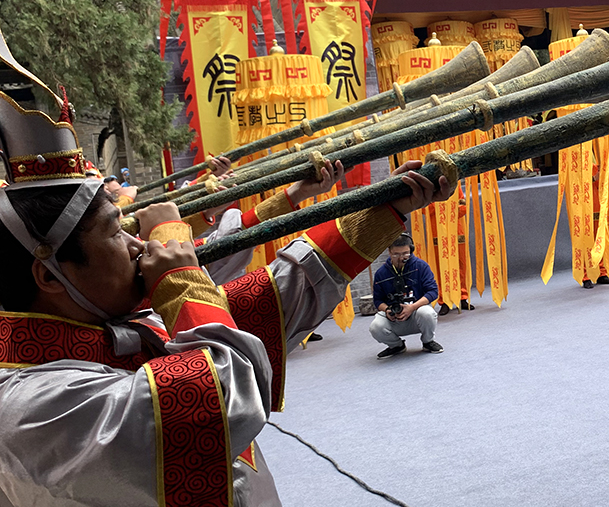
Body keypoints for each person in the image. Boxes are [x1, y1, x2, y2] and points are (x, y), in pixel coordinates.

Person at [0, 50, 455, 504]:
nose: (138, 245)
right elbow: (221, 399)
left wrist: (385, 208)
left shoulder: (115, 328)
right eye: (117, 232)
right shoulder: (30, 408)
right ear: (49, 275)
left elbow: (269, 300)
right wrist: (181, 277)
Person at [370, 233, 442, 358]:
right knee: (375, 327)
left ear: (411, 250)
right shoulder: (381, 273)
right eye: (396, 254)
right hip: (394, 317)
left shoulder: (421, 266)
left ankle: (428, 341)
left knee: (427, 313)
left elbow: (432, 292)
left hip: (416, 313)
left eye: (405, 253)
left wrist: (412, 307)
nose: (401, 258)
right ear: (389, 251)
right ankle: (396, 346)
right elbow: (378, 300)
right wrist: (387, 310)